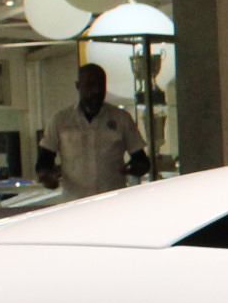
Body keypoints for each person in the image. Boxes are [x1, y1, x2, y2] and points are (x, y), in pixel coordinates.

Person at [37, 64, 149, 201]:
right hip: (75, 203)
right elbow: (43, 162)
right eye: (90, 85)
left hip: (112, 201)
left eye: (101, 85)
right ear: (78, 86)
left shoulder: (121, 118)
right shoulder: (60, 120)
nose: (96, 90)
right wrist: (48, 178)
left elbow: (141, 159)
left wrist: (134, 168)